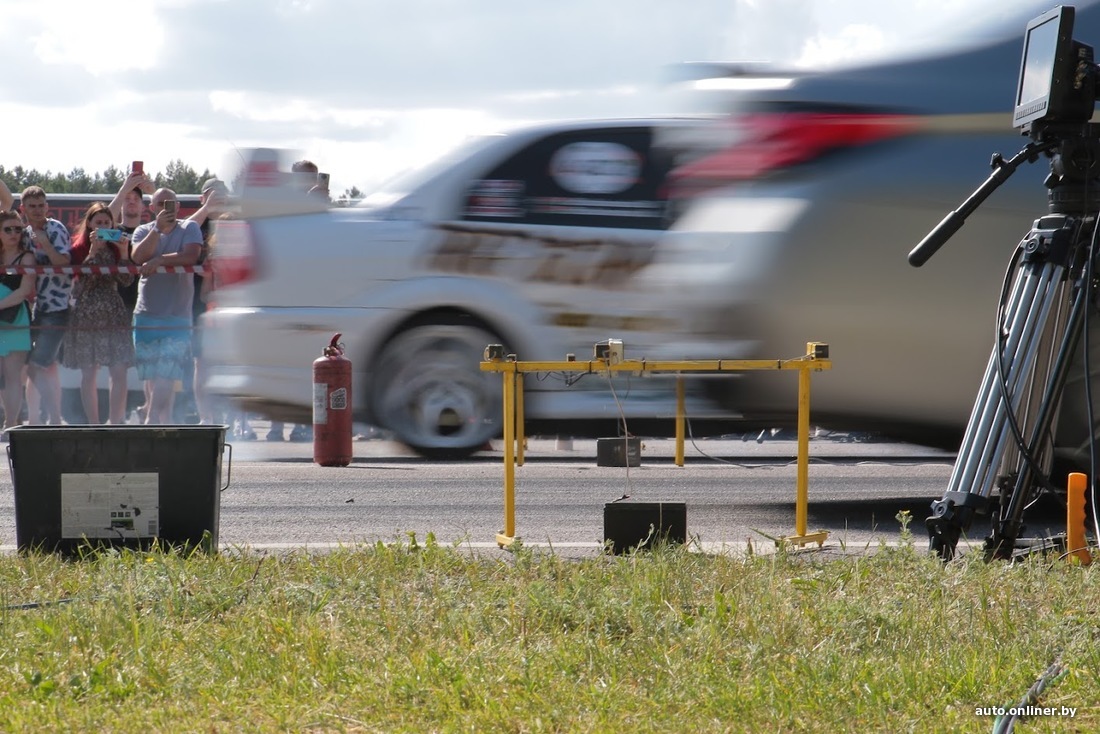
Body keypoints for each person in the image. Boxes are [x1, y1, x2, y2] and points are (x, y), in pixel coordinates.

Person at [130, 188, 203, 424]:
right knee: (151, 374)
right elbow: (138, 257)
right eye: (160, 203)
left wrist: (160, 260)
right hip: (146, 312)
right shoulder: (143, 230)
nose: (164, 207)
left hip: (177, 314)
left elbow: (191, 256)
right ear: (151, 207)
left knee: (167, 371)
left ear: (178, 206)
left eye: (169, 203)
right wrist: (157, 230)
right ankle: (162, 419)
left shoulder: (189, 227)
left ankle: (151, 417)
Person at [62, 203, 135, 423]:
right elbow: (81, 285)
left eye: (107, 223)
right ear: (89, 224)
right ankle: (93, 423)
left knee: (119, 370)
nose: (103, 227)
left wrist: (123, 253)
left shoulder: (117, 248)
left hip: (113, 312)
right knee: (89, 373)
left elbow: (127, 280)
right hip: (86, 314)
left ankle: (116, 421)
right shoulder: (78, 249)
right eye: (99, 223)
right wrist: (93, 252)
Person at [265, 161, 321, 442]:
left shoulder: (325, 210)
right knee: (281, 367)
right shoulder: (281, 211)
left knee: (309, 367)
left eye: (309, 179)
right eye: (300, 179)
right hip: (285, 299)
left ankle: (306, 426)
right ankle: (276, 426)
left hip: (313, 300)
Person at [20, 186, 72, 425]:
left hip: (57, 307)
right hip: (37, 308)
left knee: (35, 366)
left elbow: (63, 261)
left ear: (47, 207)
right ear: (24, 209)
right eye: (32, 206)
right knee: (41, 367)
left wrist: (44, 243)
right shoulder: (24, 232)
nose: (38, 210)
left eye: (41, 205)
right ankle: (41, 418)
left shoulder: (55, 228)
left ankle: (54, 417)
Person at [186, 178, 228, 425]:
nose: (218, 200)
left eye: (221, 196)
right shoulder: (196, 222)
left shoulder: (233, 222)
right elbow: (181, 233)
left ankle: (225, 416)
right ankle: (205, 416)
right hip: (198, 304)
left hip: (229, 305)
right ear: (202, 198)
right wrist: (206, 209)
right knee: (201, 362)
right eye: (213, 196)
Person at [0, 210, 35, 432]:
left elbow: (24, 291)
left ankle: (10, 423)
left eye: (18, 229)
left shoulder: (27, 257)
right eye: (8, 229)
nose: (14, 233)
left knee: (13, 376)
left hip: (16, 321)